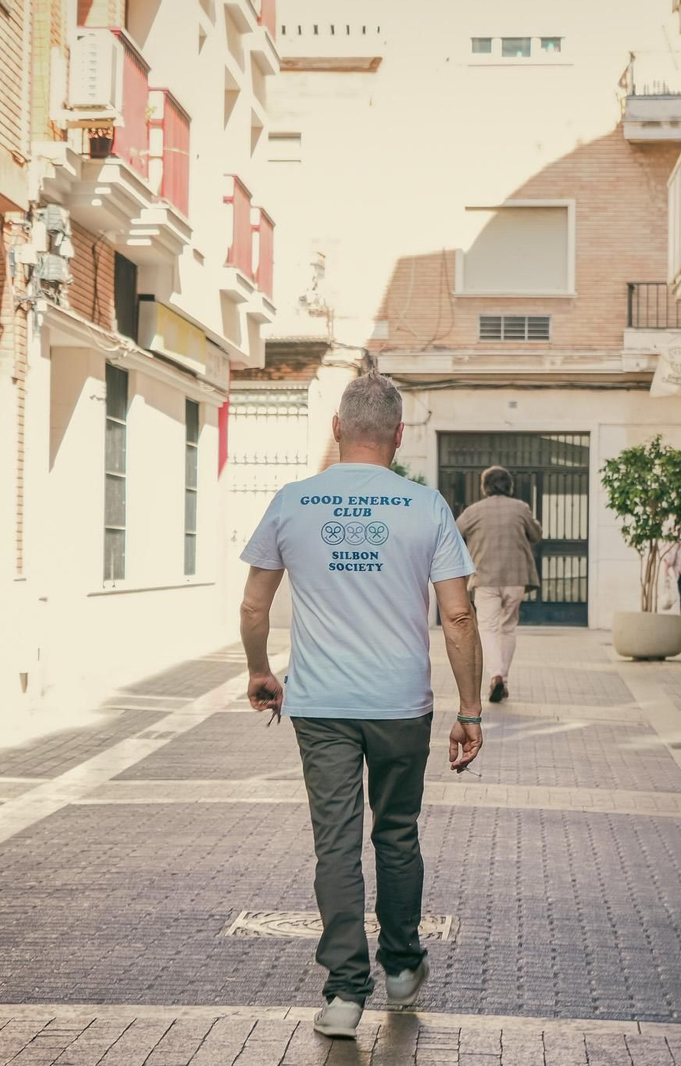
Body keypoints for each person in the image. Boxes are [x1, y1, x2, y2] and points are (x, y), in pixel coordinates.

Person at [238, 372, 485, 1040]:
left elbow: (255, 605)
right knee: (396, 834)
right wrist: (470, 709)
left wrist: (260, 670)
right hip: (401, 704)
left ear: (337, 428)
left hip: (321, 705)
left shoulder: (293, 502)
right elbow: (458, 615)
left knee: (337, 845)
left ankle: (345, 994)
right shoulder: (426, 506)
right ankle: (401, 968)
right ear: (399, 435)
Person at [454, 465, 541, 703]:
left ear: (485, 487)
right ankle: (504, 680)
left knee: (488, 628)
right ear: (509, 485)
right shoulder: (521, 508)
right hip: (516, 578)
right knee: (508, 627)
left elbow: (454, 533)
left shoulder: (474, 511)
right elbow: (536, 534)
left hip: (485, 577)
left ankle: (496, 675)